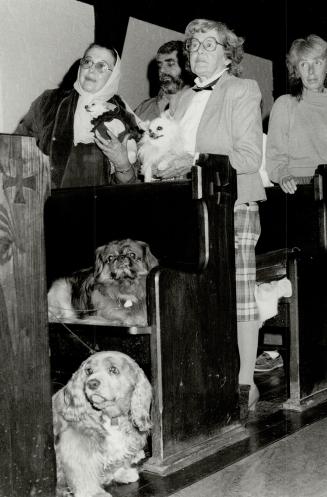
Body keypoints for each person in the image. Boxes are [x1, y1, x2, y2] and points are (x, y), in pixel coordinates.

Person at [156, 18, 266, 409]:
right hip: (188, 210)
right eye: (193, 46)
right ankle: (200, 375)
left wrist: (190, 161)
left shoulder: (241, 89)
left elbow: (250, 157)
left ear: (227, 52)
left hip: (231, 205)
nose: (198, 52)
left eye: (208, 44)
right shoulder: (182, 98)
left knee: (239, 295)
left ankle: (244, 380)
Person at [15, 43, 138, 188]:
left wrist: (122, 163)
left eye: (101, 66)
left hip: (95, 208)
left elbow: (128, 186)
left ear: (113, 75)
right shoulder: (48, 101)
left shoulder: (122, 115)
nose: (91, 69)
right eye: (87, 61)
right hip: (48, 204)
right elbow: (16, 150)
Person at [266, 34, 327, 193]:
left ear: (326, 67)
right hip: (297, 189)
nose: (311, 71)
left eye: (317, 62)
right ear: (297, 71)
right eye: (304, 64)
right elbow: (275, 160)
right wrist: (283, 175)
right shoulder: (285, 105)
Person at [134, 40, 192, 121]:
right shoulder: (144, 107)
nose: (162, 70)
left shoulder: (197, 105)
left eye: (170, 64)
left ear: (186, 67)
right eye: (160, 65)